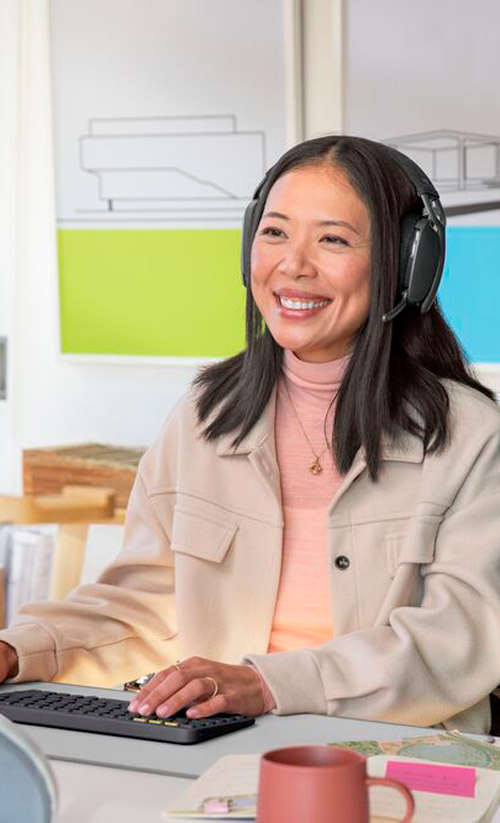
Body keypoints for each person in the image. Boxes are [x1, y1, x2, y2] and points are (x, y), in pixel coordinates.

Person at [1, 135, 499, 733]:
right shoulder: (203, 418)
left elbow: (457, 641)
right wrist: (18, 649)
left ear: (407, 266)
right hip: (223, 748)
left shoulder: (471, 438)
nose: (293, 264)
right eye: (275, 232)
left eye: (333, 239)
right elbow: (145, 609)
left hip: (404, 756)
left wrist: (268, 683)